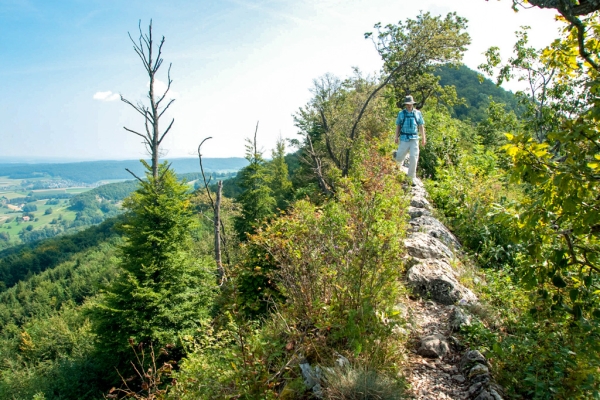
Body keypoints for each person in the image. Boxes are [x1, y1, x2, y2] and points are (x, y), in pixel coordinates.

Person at [394, 95, 426, 180]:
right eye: (407, 104)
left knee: (414, 157)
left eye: (410, 104)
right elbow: (398, 126)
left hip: (414, 138)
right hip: (404, 138)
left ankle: (411, 178)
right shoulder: (401, 114)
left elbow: (421, 126)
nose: (409, 105)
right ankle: (396, 171)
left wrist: (423, 138)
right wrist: (396, 137)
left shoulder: (417, 113)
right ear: (405, 104)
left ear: (413, 104)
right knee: (400, 156)